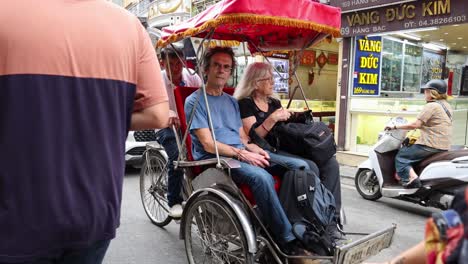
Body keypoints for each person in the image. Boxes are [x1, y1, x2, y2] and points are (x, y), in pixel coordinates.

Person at [0, 1, 169, 263]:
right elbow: (158, 114)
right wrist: (101, 117)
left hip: (18, 210)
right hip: (95, 209)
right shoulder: (129, 26)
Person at [184, 47, 314, 254]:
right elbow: (208, 144)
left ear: (230, 71)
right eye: (216, 65)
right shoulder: (195, 101)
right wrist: (242, 154)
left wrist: (258, 151)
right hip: (215, 159)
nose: (221, 70)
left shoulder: (230, 102)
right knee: (262, 178)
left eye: (226, 67)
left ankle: (298, 223)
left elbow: (242, 138)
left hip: (240, 152)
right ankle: (287, 239)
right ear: (206, 68)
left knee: (301, 166)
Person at [233, 62, 343, 229]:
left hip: (285, 145)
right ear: (255, 82)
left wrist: (294, 117)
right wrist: (272, 119)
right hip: (264, 149)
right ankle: (310, 218)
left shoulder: (274, 102)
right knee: (310, 166)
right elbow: (252, 137)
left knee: (331, 164)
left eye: (273, 78)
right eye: (268, 79)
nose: (273, 82)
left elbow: (284, 128)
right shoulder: (245, 104)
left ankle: (331, 218)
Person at [158, 46, 202, 217]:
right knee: (177, 157)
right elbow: (151, 105)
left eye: (179, 64)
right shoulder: (157, 80)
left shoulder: (192, 77)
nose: (176, 68)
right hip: (165, 126)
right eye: (171, 64)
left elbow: (202, 98)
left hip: (190, 125)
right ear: (162, 64)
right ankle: (174, 201)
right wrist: (167, 112)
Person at [385, 79, 453, 189]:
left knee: (402, 156)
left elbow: (415, 125)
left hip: (431, 144)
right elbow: (433, 125)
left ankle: (411, 179)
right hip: (444, 145)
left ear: (432, 93)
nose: (424, 94)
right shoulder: (446, 105)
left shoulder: (431, 106)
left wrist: (395, 127)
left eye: (426, 91)